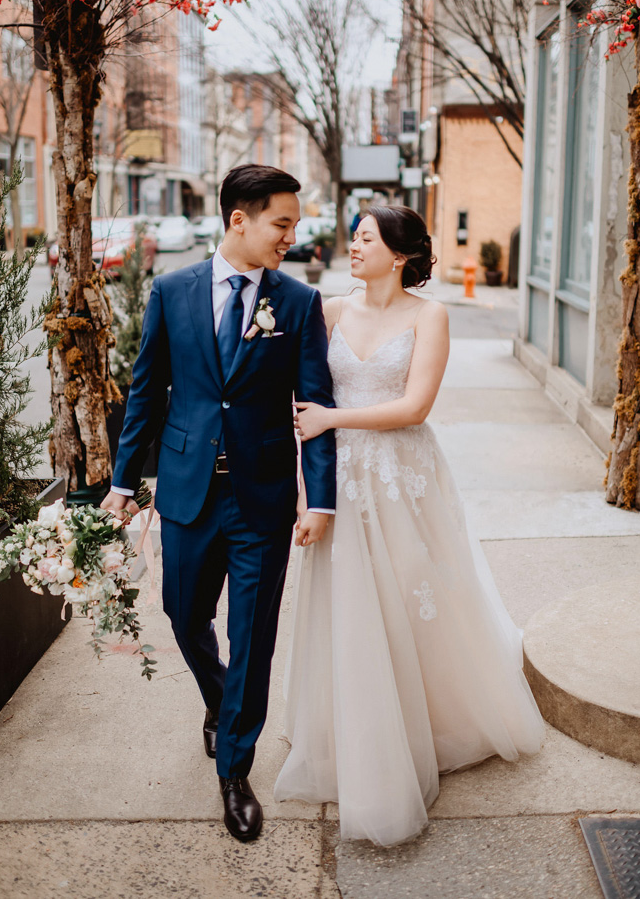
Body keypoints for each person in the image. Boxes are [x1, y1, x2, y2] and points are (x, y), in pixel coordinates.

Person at [274, 206, 544, 847]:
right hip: (340, 479)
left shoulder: (431, 316)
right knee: (352, 600)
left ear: (398, 254)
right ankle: (358, 721)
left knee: (413, 593)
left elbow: (415, 405)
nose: (354, 245)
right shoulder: (331, 312)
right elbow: (300, 399)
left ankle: (432, 720)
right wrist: (303, 484)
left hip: (403, 474)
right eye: (356, 236)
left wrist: (332, 422)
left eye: (366, 237)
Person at [102, 164, 337, 843]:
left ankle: (234, 770)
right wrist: (123, 483)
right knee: (183, 614)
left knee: (255, 637)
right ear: (240, 219)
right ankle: (221, 698)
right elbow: (147, 391)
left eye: (293, 224)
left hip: (263, 497)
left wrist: (316, 499)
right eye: (282, 224)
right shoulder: (172, 292)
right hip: (187, 491)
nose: (291, 237)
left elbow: (313, 407)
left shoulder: (296, 303)